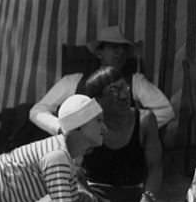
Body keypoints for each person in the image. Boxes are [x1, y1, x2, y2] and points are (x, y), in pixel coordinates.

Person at [30, 25, 174, 137]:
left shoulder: (135, 81)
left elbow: (166, 111)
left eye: (123, 49)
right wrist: (61, 128)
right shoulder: (73, 81)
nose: (120, 53)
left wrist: (133, 131)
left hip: (119, 148)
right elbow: (37, 111)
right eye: (114, 48)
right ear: (99, 53)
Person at [74, 66, 164, 202]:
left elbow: (156, 166)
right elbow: (73, 167)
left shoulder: (145, 120)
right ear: (97, 101)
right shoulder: (88, 124)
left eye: (124, 87)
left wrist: (147, 199)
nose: (123, 95)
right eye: (113, 91)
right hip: (96, 198)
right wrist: (82, 190)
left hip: (132, 200)